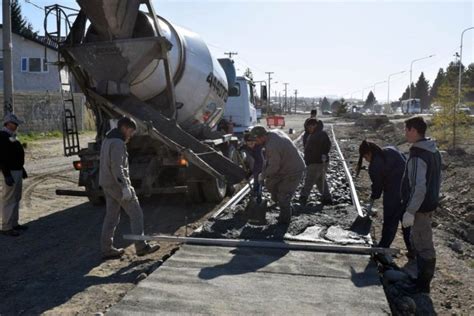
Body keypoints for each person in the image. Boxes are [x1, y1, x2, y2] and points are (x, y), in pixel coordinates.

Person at [99, 116, 159, 259]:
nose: (131, 135)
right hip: (117, 185)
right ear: (124, 128)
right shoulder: (118, 143)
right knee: (136, 214)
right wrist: (125, 187)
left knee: (111, 217)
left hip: (106, 183)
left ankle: (107, 249)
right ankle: (141, 247)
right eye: (131, 131)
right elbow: (117, 168)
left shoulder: (107, 140)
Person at [401, 116, 441, 294]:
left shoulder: (418, 155)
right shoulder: (433, 150)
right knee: (420, 240)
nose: (405, 133)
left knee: (423, 243)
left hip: (420, 207)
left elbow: (418, 187)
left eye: (406, 130)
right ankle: (420, 279)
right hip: (428, 203)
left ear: (413, 131)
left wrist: (410, 211)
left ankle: (422, 286)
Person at [356, 140, 413, 256]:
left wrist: (373, 196)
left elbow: (377, 186)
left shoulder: (374, 166)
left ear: (368, 153)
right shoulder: (391, 149)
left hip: (393, 194)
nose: (366, 160)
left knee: (390, 222)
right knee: (407, 222)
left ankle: (383, 248)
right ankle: (412, 250)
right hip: (408, 190)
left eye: (365, 157)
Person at [250, 126, 305, 224]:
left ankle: (284, 222)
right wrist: (264, 173)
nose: (256, 142)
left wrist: (263, 175)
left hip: (293, 170)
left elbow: (274, 167)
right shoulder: (273, 133)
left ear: (262, 137)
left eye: (256, 140)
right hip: (283, 167)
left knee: (283, 196)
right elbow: (269, 162)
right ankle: (286, 206)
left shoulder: (272, 147)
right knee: (270, 185)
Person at [0, 113, 28, 237]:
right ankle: (6, 227)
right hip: (10, 172)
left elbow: (14, 154)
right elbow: (2, 157)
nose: (16, 126)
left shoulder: (10, 136)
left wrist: (21, 168)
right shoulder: (2, 136)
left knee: (16, 198)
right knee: (9, 199)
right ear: (7, 123)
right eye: (14, 123)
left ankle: (14, 224)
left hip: (16, 170)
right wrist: (6, 174)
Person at [300, 119, 332, 205]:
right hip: (312, 161)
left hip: (319, 161)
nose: (310, 128)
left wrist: (324, 154)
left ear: (315, 126)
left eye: (311, 126)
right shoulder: (307, 134)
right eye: (308, 127)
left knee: (310, 179)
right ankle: (327, 197)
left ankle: (303, 197)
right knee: (320, 180)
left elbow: (327, 145)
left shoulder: (321, 134)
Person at [242, 132, 264, 203]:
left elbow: (261, 162)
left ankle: (259, 194)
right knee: (256, 181)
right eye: (249, 143)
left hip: (263, 167)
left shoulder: (259, 148)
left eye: (252, 142)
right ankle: (256, 194)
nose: (251, 144)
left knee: (259, 181)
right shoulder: (246, 148)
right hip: (255, 168)